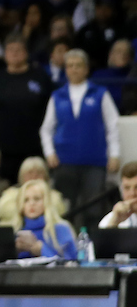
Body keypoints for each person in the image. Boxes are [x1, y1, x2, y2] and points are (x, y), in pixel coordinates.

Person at [40, 48, 120, 228]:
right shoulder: (57, 96)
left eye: (78, 66)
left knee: (94, 208)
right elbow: (46, 129)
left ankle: (92, 248)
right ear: (65, 69)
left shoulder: (100, 93)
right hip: (64, 161)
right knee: (65, 208)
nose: (74, 69)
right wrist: (49, 152)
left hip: (95, 161)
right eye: (70, 66)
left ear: (86, 69)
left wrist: (114, 154)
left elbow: (112, 125)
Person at [0, 34, 51, 182]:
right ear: (4, 54)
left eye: (18, 50)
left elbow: (51, 110)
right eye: (10, 50)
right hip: (2, 149)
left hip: (33, 147)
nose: (14, 53)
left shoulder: (40, 77)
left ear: (26, 53)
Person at [0, 179, 75, 259]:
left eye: (37, 199)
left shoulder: (60, 229)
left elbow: (71, 263)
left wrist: (41, 250)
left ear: (46, 202)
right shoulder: (14, 232)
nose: (31, 203)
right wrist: (13, 251)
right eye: (26, 200)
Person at [99, 161, 137, 229]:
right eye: (127, 188)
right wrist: (115, 221)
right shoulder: (111, 218)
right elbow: (104, 239)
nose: (132, 193)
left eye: (136, 187)